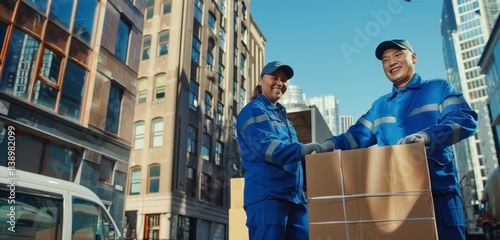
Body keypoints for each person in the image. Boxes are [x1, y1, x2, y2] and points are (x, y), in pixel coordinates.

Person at [322, 39, 478, 240]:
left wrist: (428, 136)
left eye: (397, 55)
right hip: (396, 202)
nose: (391, 62)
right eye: (385, 60)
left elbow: (466, 118)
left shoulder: (438, 89)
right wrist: (329, 144)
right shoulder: (380, 106)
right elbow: (355, 136)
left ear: (413, 57)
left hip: (439, 197)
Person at [236, 61, 326, 240]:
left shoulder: (284, 118)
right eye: (274, 78)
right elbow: (267, 148)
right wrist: (302, 150)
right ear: (260, 80)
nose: (279, 82)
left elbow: (294, 160)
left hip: (295, 198)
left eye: (284, 80)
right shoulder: (254, 110)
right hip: (268, 197)